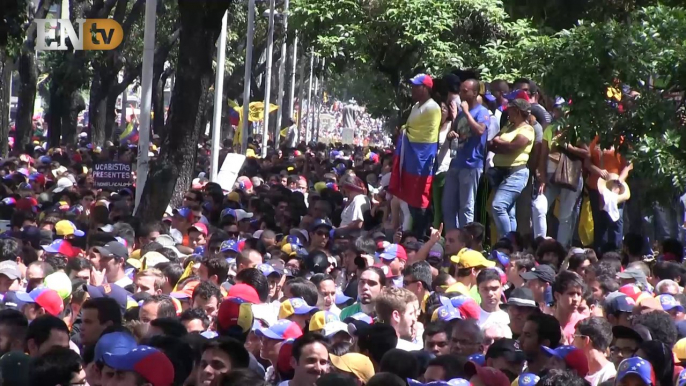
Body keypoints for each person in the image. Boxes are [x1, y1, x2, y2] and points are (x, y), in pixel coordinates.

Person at [388, 74, 441, 234]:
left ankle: (422, 232)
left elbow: (423, 133)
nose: (412, 90)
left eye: (416, 86)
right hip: (411, 157)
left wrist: (405, 131)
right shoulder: (415, 107)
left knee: (420, 194)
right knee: (410, 194)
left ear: (425, 88)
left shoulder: (433, 108)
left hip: (422, 157)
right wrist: (404, 129)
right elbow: (411, 126)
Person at [443, 78, 490, 230]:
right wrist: (451, 135)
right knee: (448, 206)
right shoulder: (461, 114)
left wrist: (467, 113)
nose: (461, 93)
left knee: (466, 207)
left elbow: (480, 130)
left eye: (465, 90)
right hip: (456, 162)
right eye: (461, 90)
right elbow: (456, 133)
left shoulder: (482, 112)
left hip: (471, 165)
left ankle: (466, 241)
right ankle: (452, 240)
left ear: (475, 92)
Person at [487, 97, 535, 238]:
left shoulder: (527, 129)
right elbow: (491, 144)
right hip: (500, 173)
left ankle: (506, 241)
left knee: (498, 206)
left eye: (511, 110)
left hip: (515, 173)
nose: (508, 113)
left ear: (518, 112)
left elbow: (513, 147)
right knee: (509, 211)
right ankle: (513, 244)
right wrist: (500, 145)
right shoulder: (508, 126)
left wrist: (499, 143)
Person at [574, 316, 616, 386]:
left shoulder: (611, 378)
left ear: (586, 340)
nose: (572, 342)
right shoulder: (586, 376)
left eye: (575, 336)